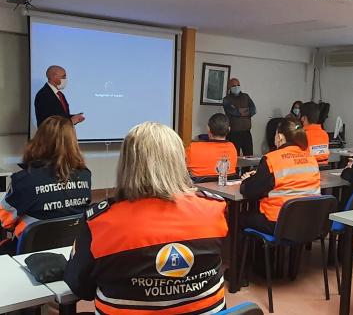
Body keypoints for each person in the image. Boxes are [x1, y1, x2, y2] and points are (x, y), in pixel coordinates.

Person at [64, 122, 228, 314]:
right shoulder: (214, 209)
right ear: (180, 162)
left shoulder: (99, 223)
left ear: (127, 165)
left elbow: (80, 287)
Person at [0, 116, 91, 255]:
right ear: (73, 142)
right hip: (72, 252)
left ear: (39, 140)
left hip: (28, 255)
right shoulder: (85, 175)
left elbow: (4, 220)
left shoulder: (24, 179)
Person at [240, 117, 320, 234]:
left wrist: (248, 180)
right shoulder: (311, 158)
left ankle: (255, 252)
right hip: (308, 220)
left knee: (240, 218)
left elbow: (251, 191)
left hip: (278, 221)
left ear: (280, 137)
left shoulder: (272, 159)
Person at [186, 113, 238, 182]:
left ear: (208, 128)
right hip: (225, 190)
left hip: (198, 191)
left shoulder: (193, 148)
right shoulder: (232, 147)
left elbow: (178, 166)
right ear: (229, 129)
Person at [222, 78, 256, 156]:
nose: (236, 87)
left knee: (249, 156)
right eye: (234, 85)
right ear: (229, 87)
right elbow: (233, 112)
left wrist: (239, 111)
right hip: (233, 133)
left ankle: (247, 169)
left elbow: (253, 110)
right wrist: (246, 111)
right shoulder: (226, 99)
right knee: (234, 156)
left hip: (246, 132)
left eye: (238, 85)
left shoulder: (246, 96)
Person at [300, 102, 330, 166]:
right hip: (324, 168)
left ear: (303, 118)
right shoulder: (324, 134)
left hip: (308, 170)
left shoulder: (301, 135)